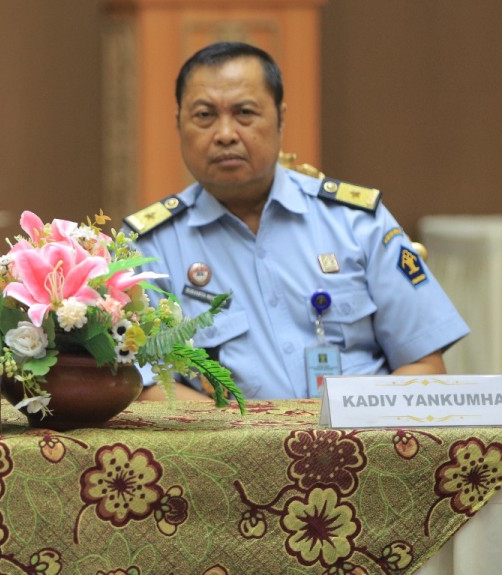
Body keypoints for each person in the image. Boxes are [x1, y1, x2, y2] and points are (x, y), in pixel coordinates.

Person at [125, 42, 468, 401]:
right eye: (204, 115)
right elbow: (144, 387)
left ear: (281, 118)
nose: (225, 133)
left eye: (244, 113)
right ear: (178, 123)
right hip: (232, 451)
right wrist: (251, 441)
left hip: (363, 445)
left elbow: (423, 365)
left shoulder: (356, 222)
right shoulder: (148, 249)